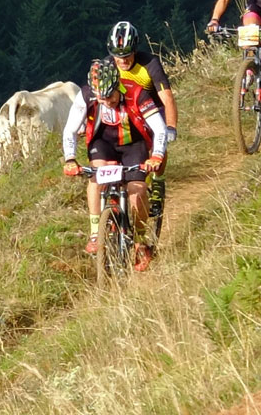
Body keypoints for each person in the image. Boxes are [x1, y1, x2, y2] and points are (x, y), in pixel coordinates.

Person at [61, 57, 167, 272]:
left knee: (137, 193)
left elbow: (160, 129)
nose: (106, 102)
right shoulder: (87, 95)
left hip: (133, 144)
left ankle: (139, 240)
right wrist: (70, 159)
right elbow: (70, 129)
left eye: (110, 96)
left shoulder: (137, 93)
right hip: (103, 143)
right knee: (95, 179)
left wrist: (156, 156)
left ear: (118, 85)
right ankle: (94, 233)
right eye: (101, 98)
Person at [105, 21, 179, 143]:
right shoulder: (107, 66)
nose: (123, 61)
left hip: (154, 110)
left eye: (127, 55)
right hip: (126, 112)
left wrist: (171, 127)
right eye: (118, 56)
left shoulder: (150, 63)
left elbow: (167, 98)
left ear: (134, 50)